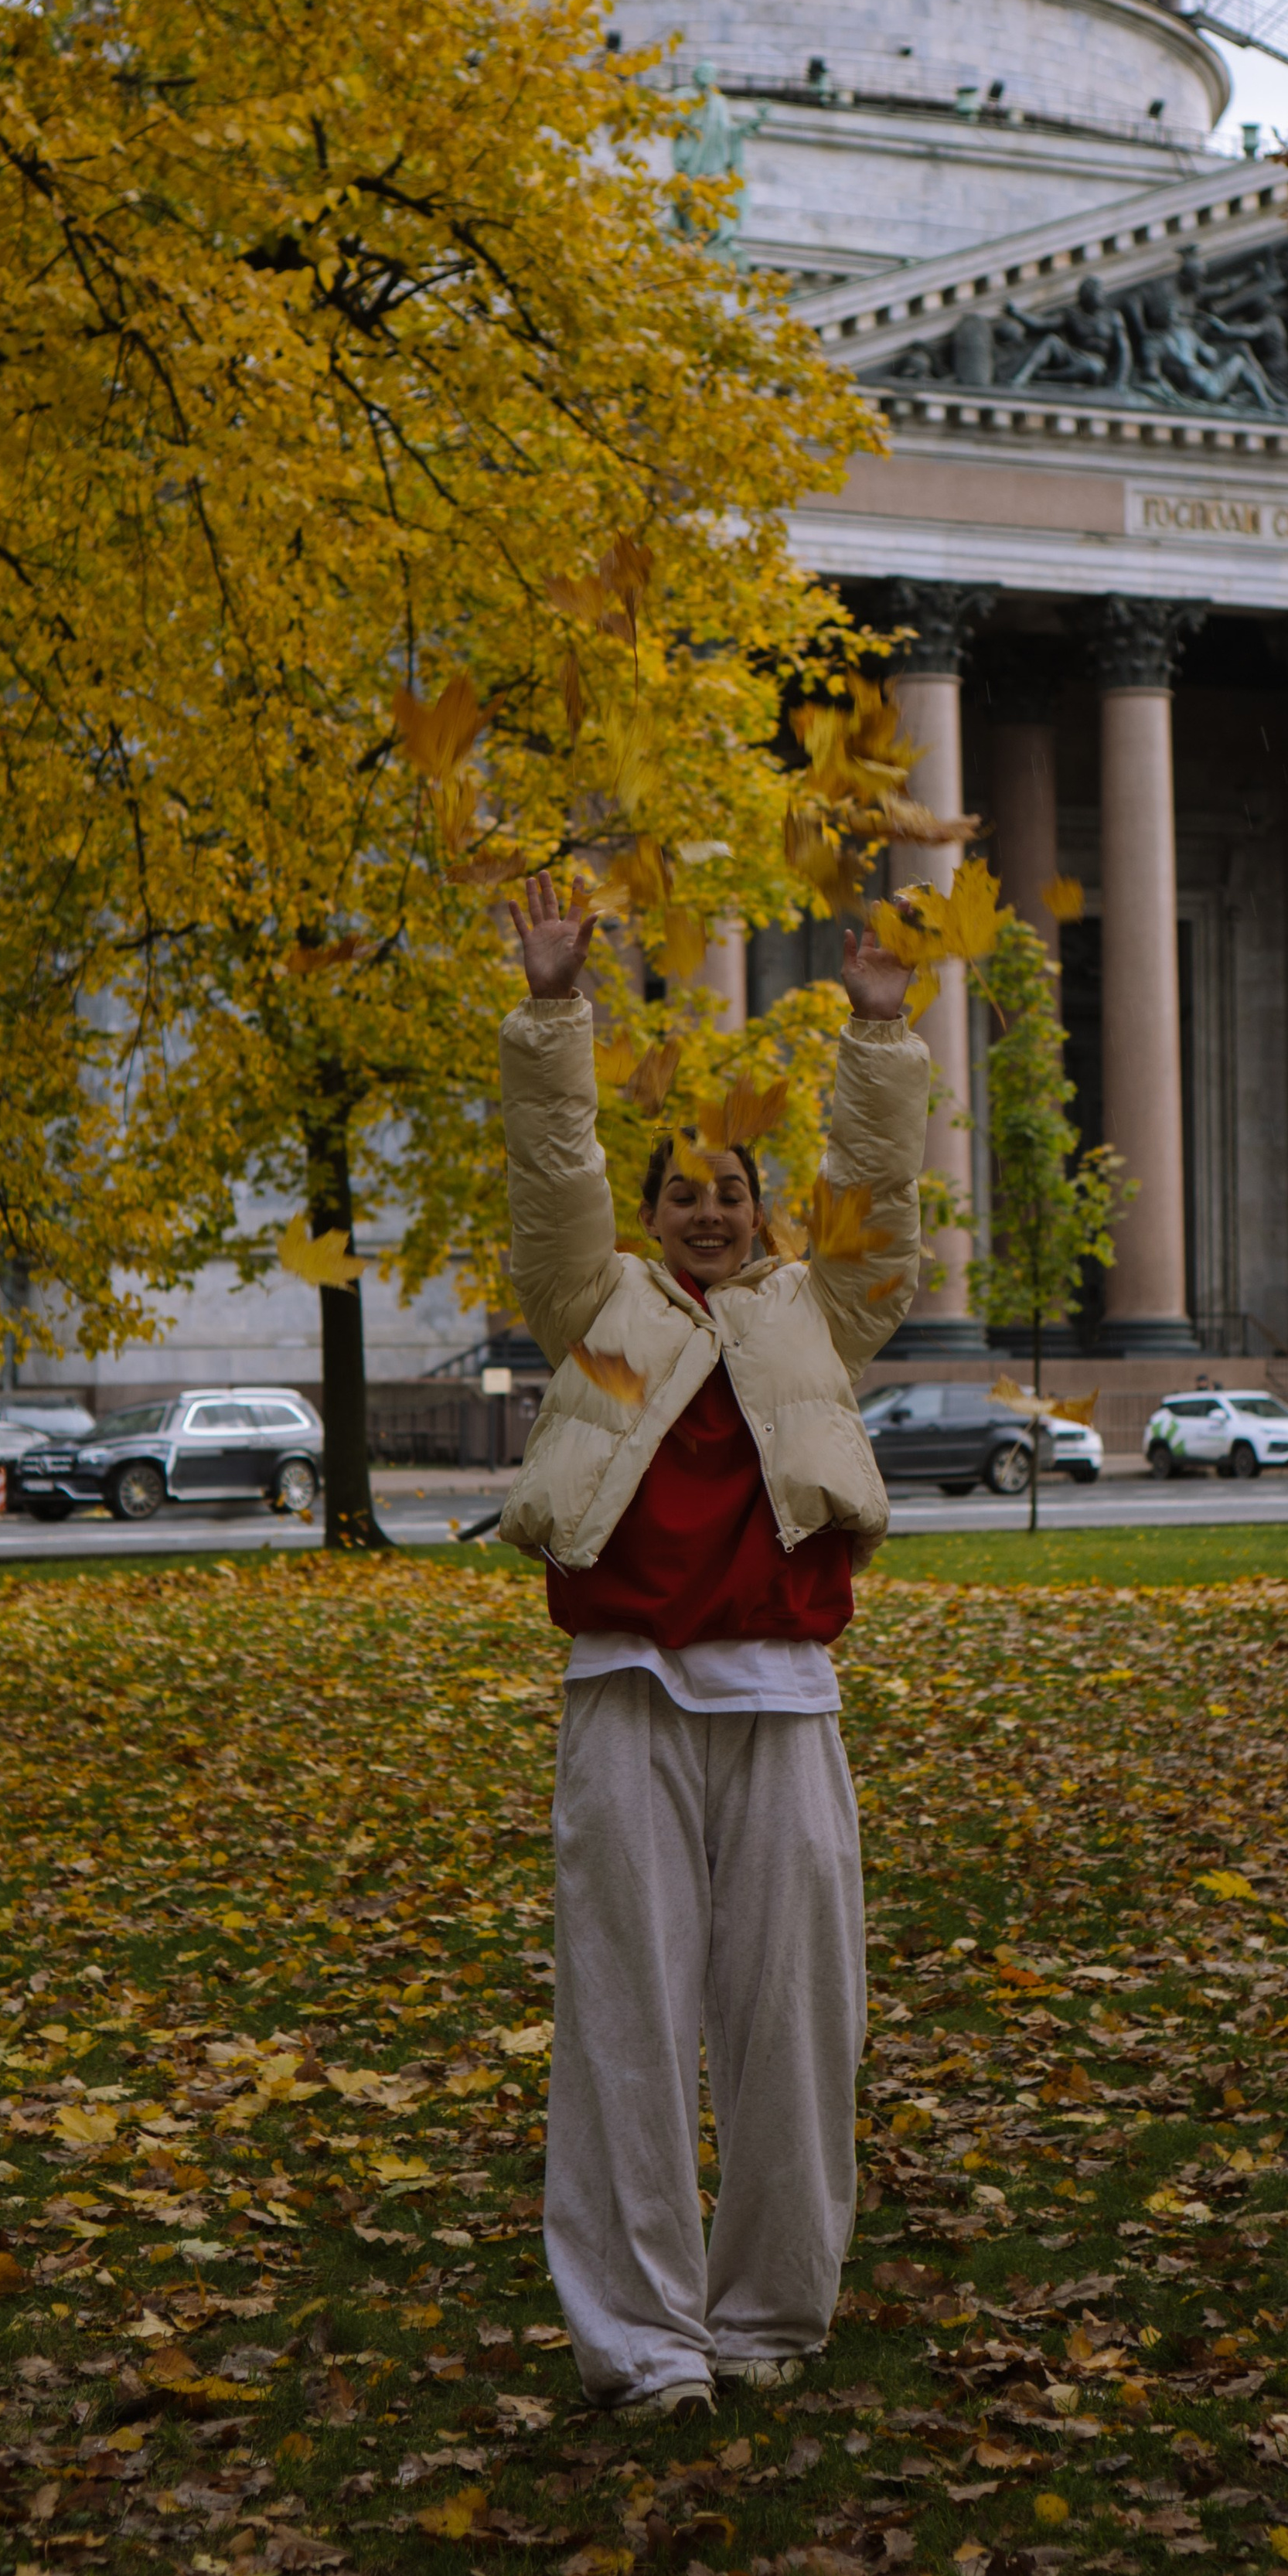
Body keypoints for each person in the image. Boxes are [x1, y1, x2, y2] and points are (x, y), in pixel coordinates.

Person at [497, 871, 928, 2424]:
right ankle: (644, 2343)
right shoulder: (599, 1309)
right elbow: (550, 1180)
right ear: (652, 1209)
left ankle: (764, 2316)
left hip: (784, 1698)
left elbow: (881, 1217)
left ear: (758, 1209)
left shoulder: (814, 1314)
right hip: (627, 1692)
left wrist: (878, 1038)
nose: (703, 1210)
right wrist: (554, 1012)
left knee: (794, 2021)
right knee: (622, 2019)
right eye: (677, 1189)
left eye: (727, 1192)